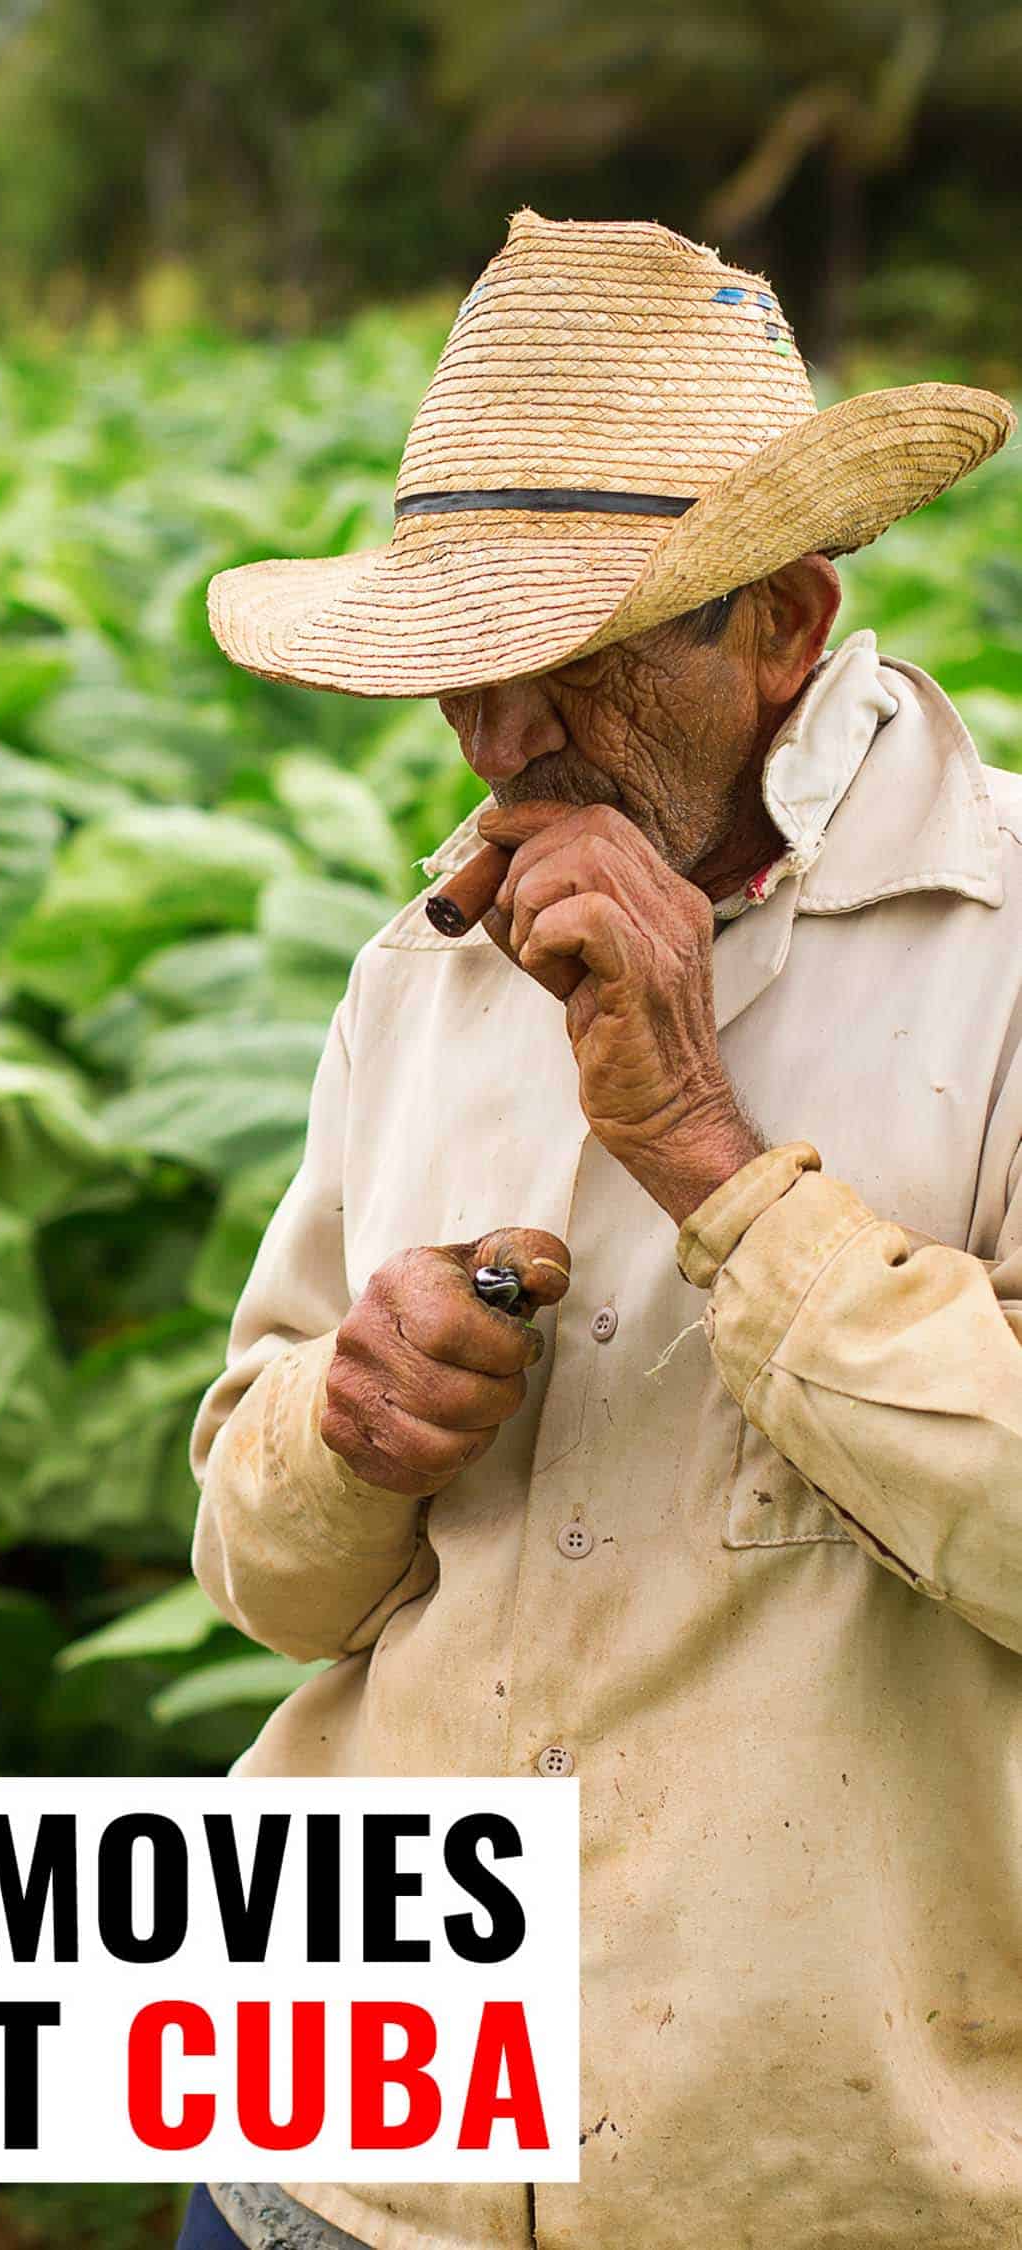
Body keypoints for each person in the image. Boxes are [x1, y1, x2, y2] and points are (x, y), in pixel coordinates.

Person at [178, 210, 1022, 2250]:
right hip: (340, 2169)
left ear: (785, 626)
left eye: (563, 672)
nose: (490, 748)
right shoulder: (424, 969)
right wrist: (344, 1428)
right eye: (462, 680)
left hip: (821, 2190)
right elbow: (262, 1576)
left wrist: (705, 1159)